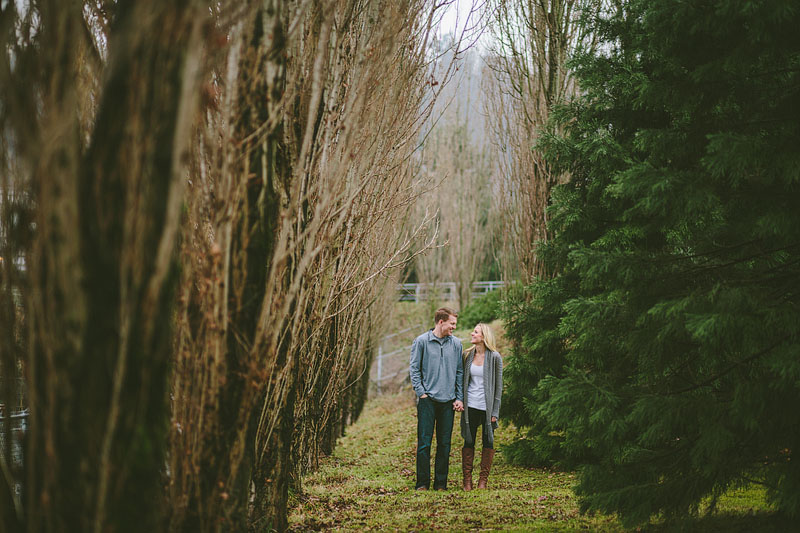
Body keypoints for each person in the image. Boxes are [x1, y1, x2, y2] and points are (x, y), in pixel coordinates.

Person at [409, 307, 464, 491]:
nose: (454, 327)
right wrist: (421, 393)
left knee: (445, 444)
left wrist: (459, 397)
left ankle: (441, 483)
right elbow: (414, 369)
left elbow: (459, 372)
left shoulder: (456, 344)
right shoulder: (421, 342)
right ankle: (422, 483)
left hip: (448, 402)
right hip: (428, 401)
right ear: (441, 322)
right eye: (452, 323)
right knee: (424, 444)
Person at [460, 322, 503, 490]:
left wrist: (495, 411)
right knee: (468, 441)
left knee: (488, 442)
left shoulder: (494, 357)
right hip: (470, 406)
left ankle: (483, 481)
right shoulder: (467, 355)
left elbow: (498, 386)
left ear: (483, 337)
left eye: (476, 332)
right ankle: (467, 481)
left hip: (487, 407)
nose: (472, 334)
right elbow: (463, 380)